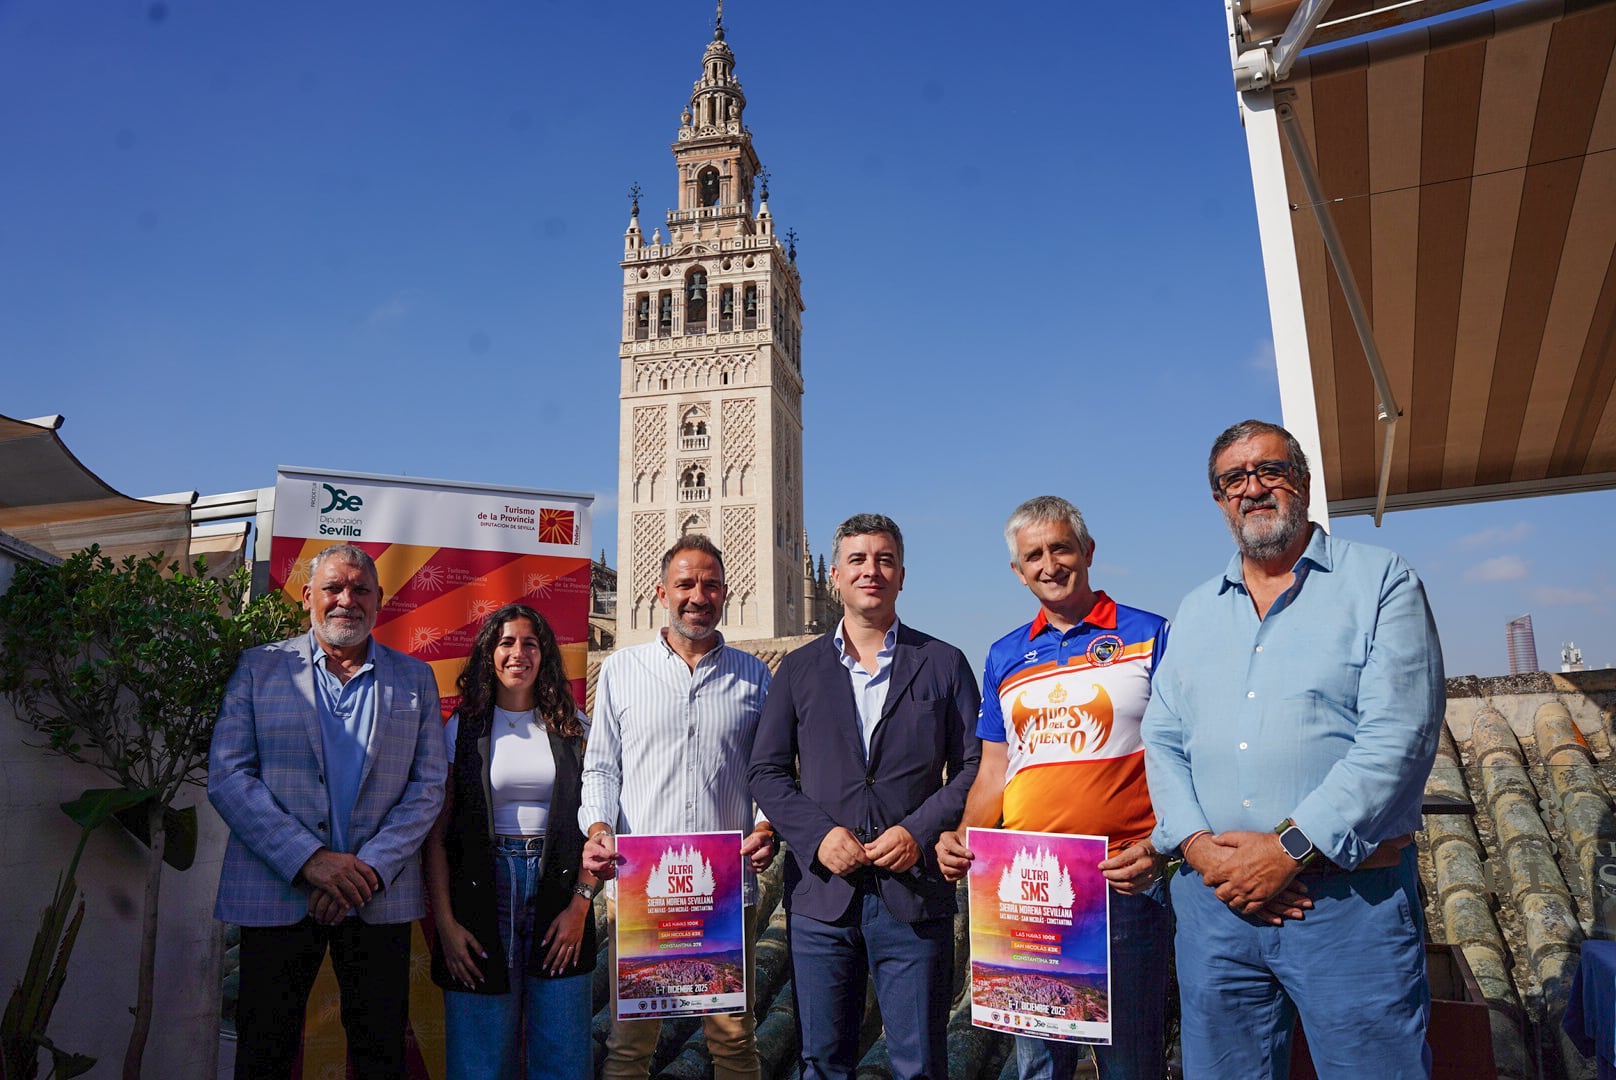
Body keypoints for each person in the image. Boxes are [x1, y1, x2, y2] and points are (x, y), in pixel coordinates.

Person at [1140, 419, 1445, 1078]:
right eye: (1234, 479)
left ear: (1302, 482)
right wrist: (1197, 847)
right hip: (1215, 907)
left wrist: (1288, 849)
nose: (1253, 488)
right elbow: (1162, 737)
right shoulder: (1194, 611)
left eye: (1270, 471)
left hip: (1344, 901)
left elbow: (1400, 735)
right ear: (1220, 500)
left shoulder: (1381, 581)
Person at [936, 495, 1171, 1080]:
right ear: (1018, 572)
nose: (1049, 564)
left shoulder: (1152, 634)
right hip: (1027, 889)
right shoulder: (1005, 654)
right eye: (1033, 555)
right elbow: (994, 769)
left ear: (1088, 552)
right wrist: (962, 837)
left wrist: (1161, 846)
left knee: (1131, 1063)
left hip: (1122, 882)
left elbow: (1183, 756)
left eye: (1060, 548)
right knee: (1038, 1066)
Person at [749, 513, 981, 1080]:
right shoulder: (799, 669)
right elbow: (766, 770)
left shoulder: (944, 663)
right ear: (833, 576)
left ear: (902, 575)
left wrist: (917, 832)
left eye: (883, 560)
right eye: (857, 560)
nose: (870, 571)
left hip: (914, 895)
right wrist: (819, 836)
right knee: (823, 1061)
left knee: (919, 1064)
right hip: (821, 898)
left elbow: (974, 765)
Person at [208, 542, 447, 1080]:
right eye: (334, 588)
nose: (346, 600)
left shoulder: (414, 679)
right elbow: (228, 775)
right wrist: (311, 860)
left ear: (379, 600)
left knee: (381, 1049)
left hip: (376, 893)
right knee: (264, 1049)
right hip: (278, 889)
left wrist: (366, 870)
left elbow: (428, 785)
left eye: (360, 589)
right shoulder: (258, 668)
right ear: (308, 596)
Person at [579, 534, 778, 1080]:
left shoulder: (754, 676)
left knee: (735, 1040)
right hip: (642, 888)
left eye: (710, 585)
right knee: (629, 1045)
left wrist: (765, 825)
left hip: (725, 887)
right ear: (661, 591)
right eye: (686, 584)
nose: (698, 596)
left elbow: (768, 772)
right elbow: (600, 768)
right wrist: (598, 827)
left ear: (725, 593)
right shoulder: (622, 670)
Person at [423, 604, 599, 1080]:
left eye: (530, 643)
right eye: (506, 642)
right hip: (482, 898)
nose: (517, 653)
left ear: (544, 656)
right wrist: (445, 924)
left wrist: (580, 907)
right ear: (489, 654)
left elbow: (597, 828)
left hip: (557, 896)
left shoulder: (573, 727)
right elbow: (436, 839)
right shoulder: (461, 729)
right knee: (479, 1060)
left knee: (562, 1056)